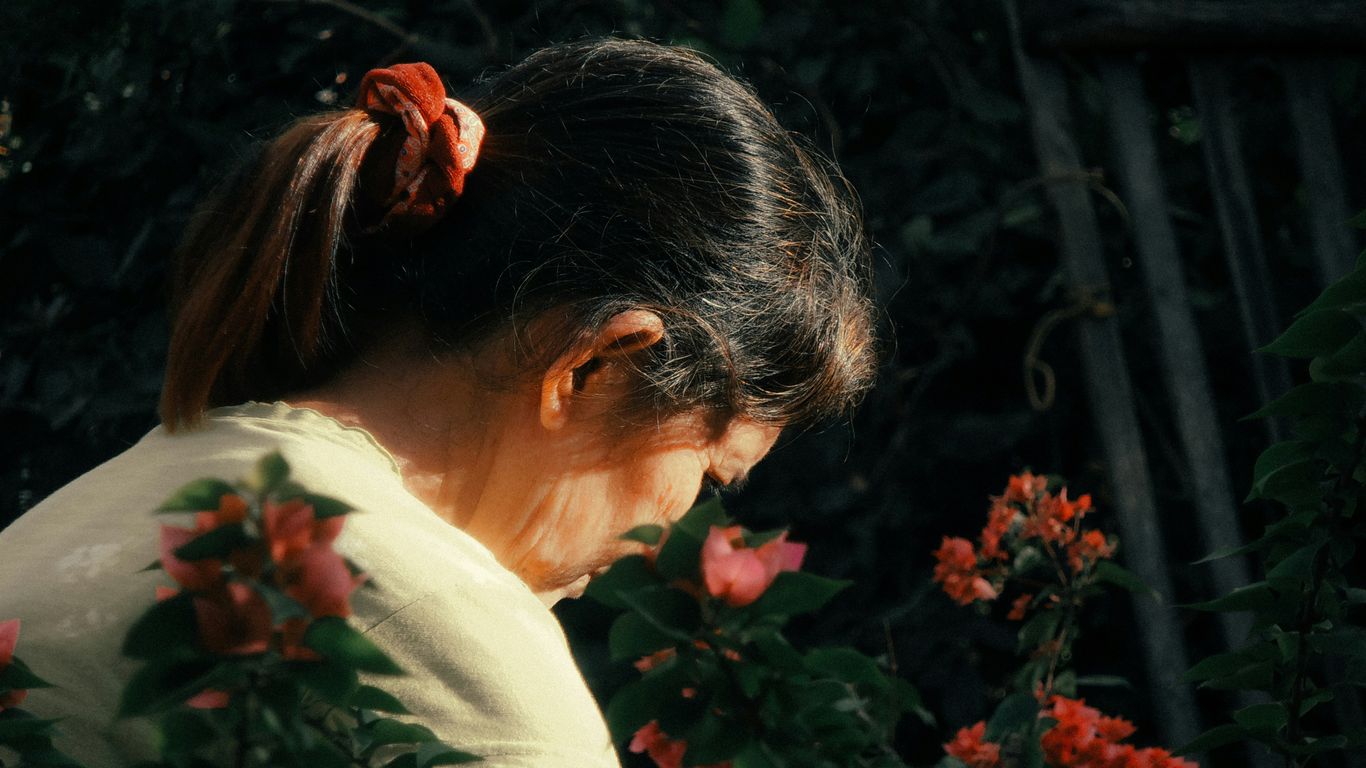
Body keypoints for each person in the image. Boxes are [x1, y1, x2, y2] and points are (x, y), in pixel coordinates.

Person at [0, 37, 876, 766]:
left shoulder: (74, 519)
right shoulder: (448, 646)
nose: (677, 531)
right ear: (595, 365)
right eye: (711, 475)